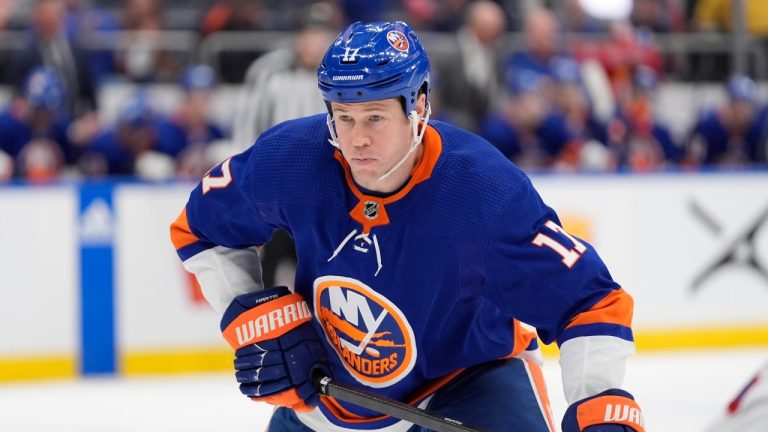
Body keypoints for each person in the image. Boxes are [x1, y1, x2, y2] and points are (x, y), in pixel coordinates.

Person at [170, 21, 644, 432]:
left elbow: (590, 300)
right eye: (344, 117)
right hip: (336, 399)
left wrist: (598, 403)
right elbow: (199, 228)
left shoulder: (483, 193)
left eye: (375, 117)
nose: (356, 139)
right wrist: (258, 320)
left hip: (467, 380)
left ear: (418, 106)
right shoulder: (291, 159)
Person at [684, 74, 768, 167]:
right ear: (727, 106)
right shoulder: (708, 128)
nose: (741, 113)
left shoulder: (759, 131)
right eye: (736, 106)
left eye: (746, 106)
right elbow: (691, 165)